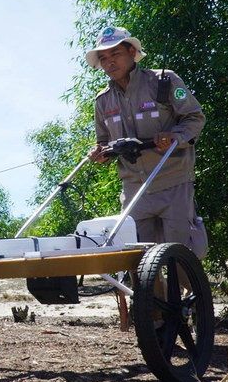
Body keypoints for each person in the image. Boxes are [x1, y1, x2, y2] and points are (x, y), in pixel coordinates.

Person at [85, 26, 206, 251]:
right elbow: (103, 142)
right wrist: (100, 153)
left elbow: (194, 118)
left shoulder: (163, 82)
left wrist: (174, 137)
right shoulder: (103, 101)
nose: (109, 62)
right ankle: (147, 289)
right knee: (138, 260)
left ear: (132, 52)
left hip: (174, 183)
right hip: (134, 190)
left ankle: (187, 287)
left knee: (180, 256)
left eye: (115, 54)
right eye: (103, 58)